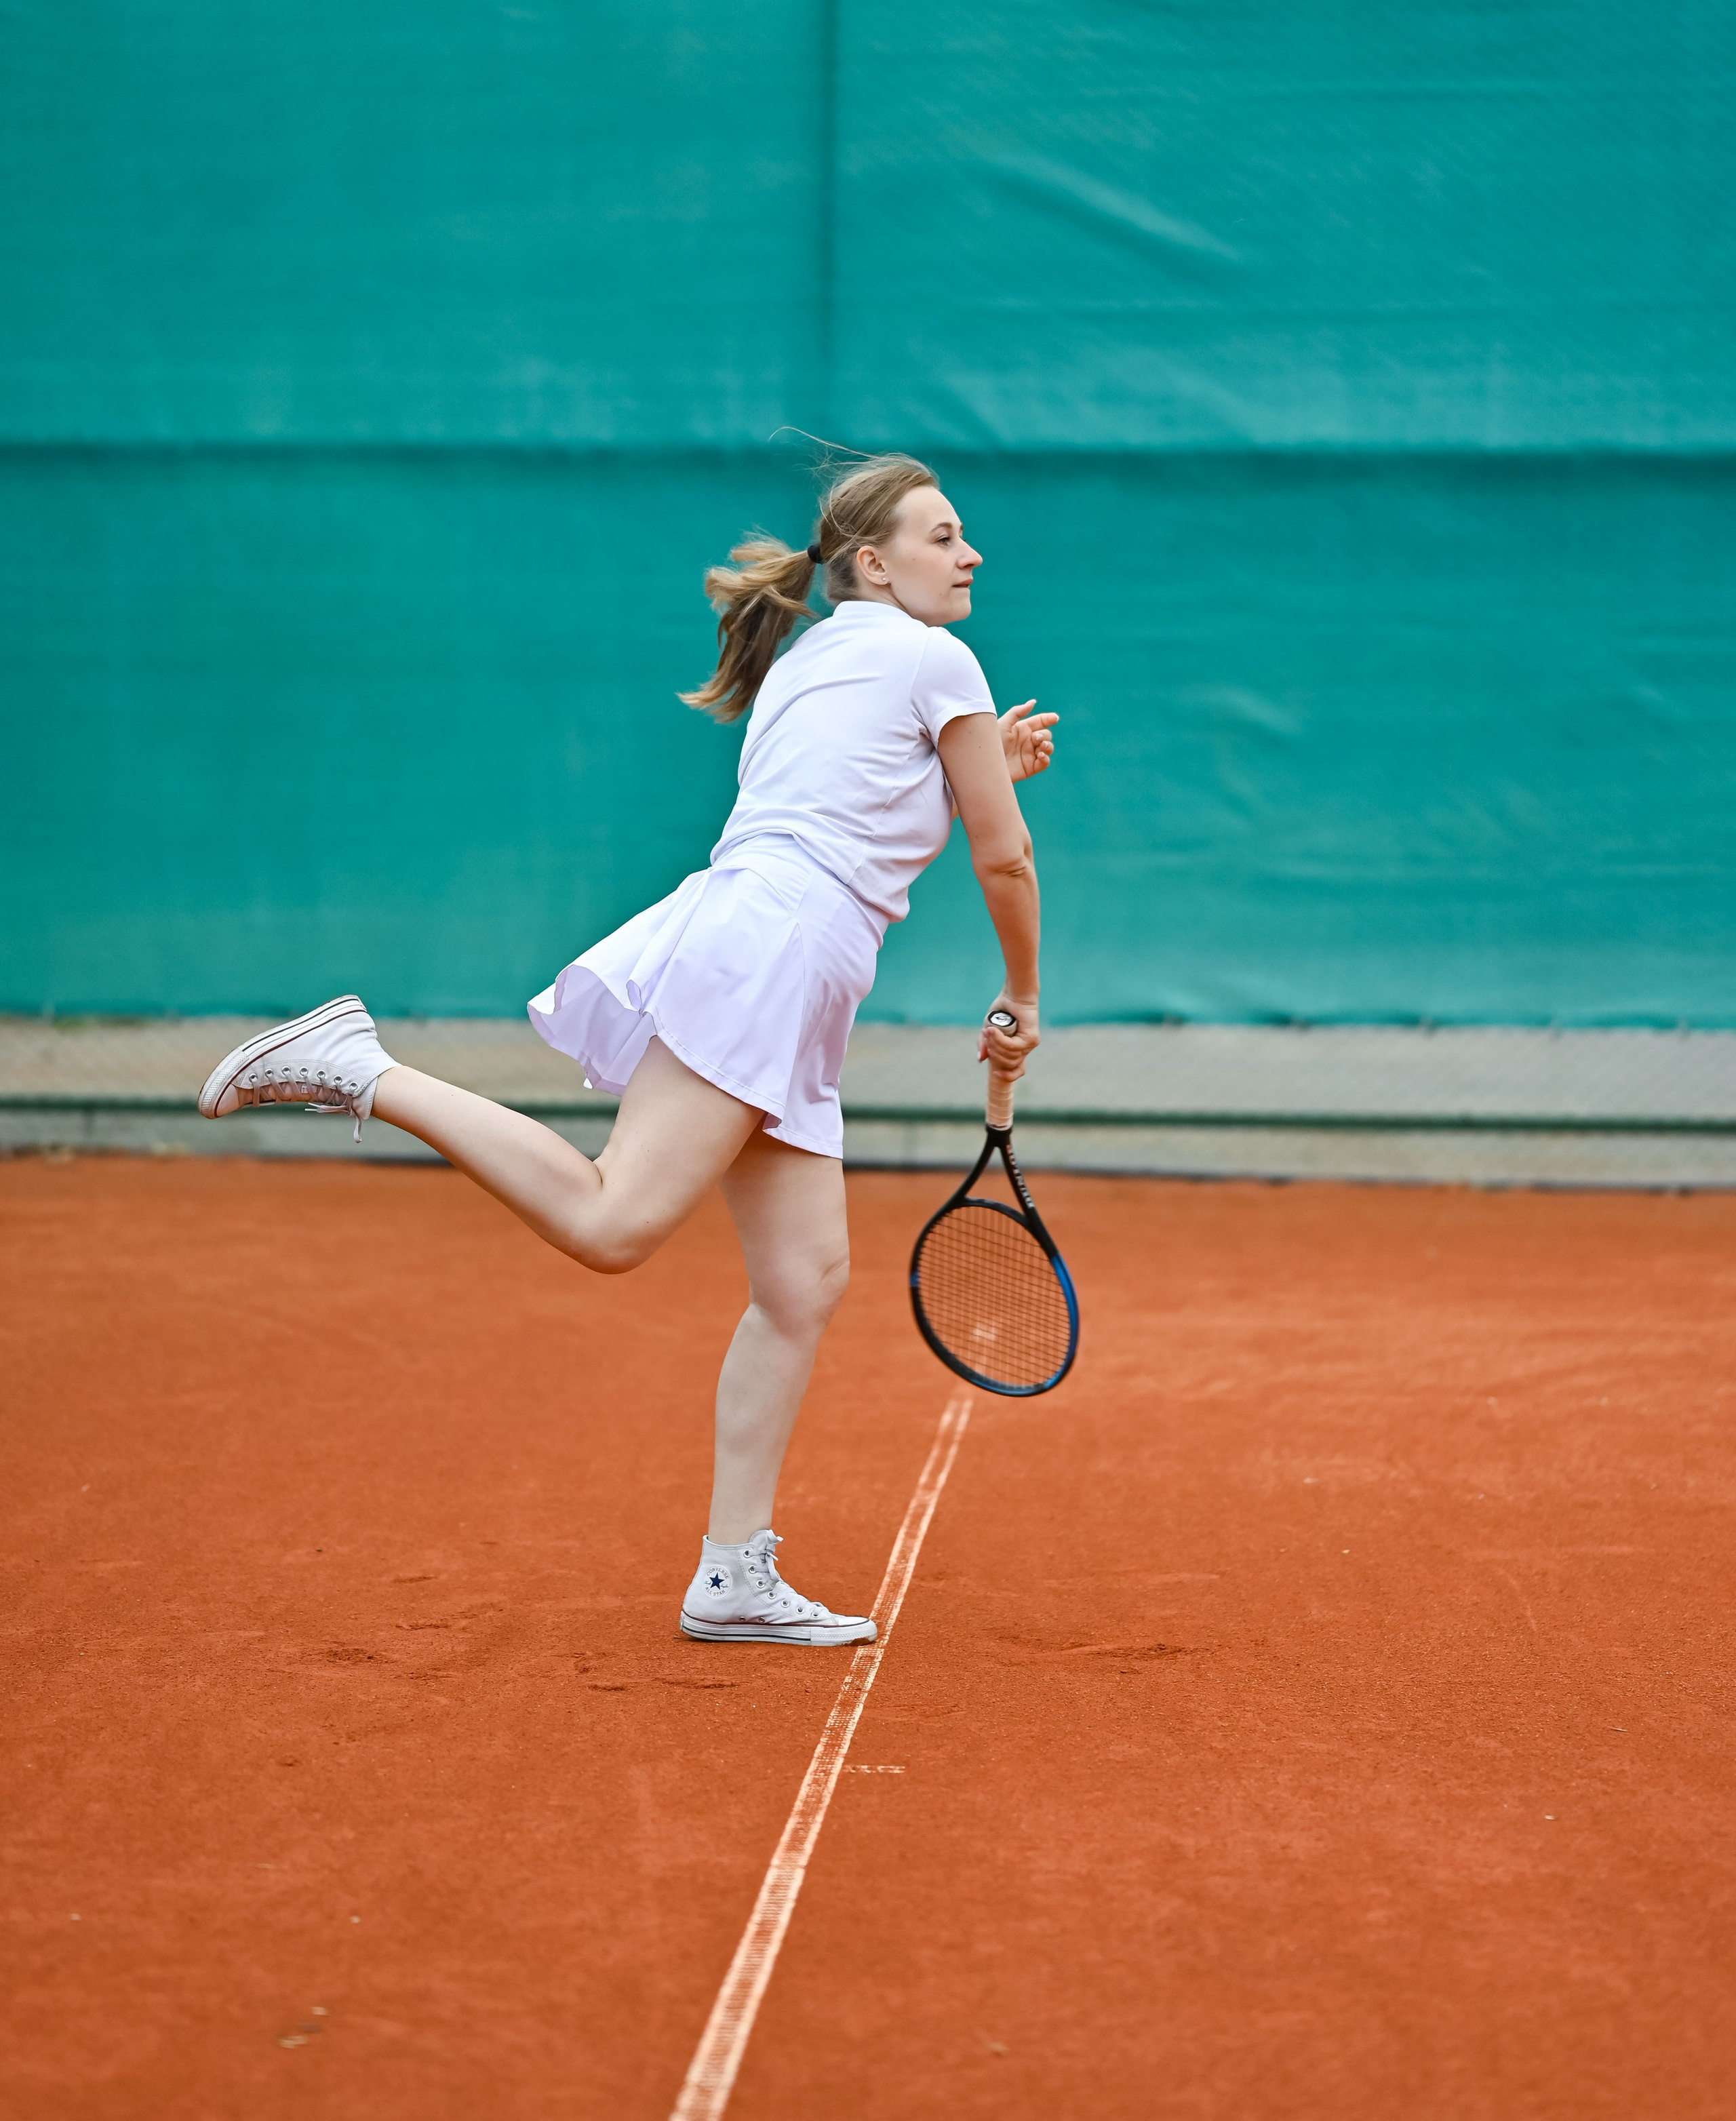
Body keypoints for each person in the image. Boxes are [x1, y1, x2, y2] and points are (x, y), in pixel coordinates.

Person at [196, 453, 1057, 1646]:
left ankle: (734, 1575)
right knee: (617, 1224)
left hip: (785, 957)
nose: (970, 555)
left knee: (801, 1285)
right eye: (944, 536)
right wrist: (1019, 992)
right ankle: (361, 1067)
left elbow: (874, 808)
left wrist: (983, 766)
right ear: (875, 562)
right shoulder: (933, 657)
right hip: (777, 955)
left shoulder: (816, 661)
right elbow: (1003, 859)